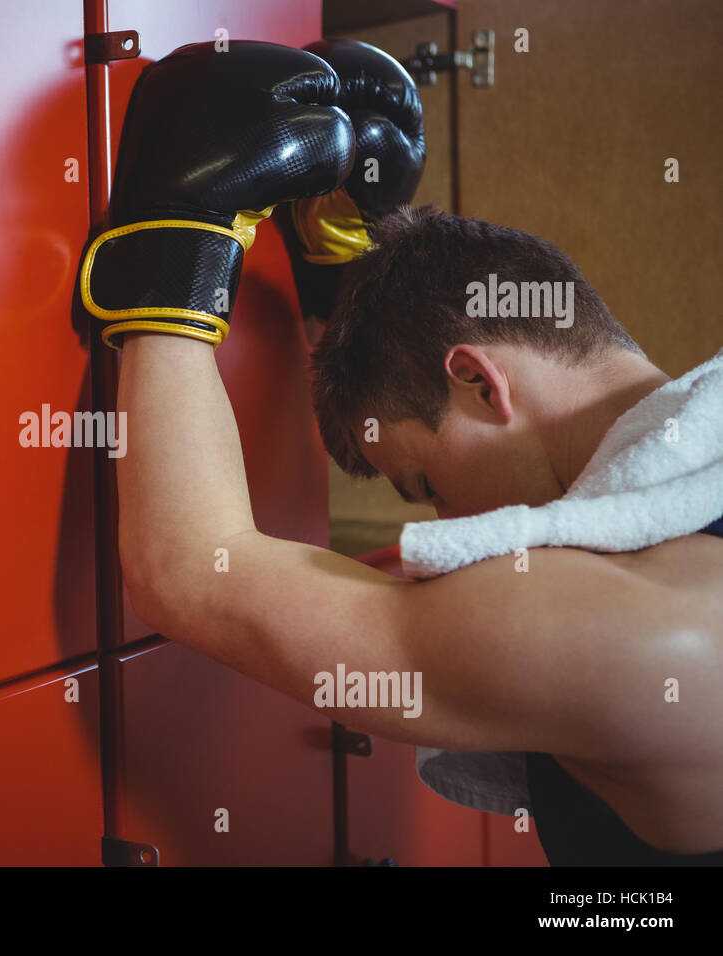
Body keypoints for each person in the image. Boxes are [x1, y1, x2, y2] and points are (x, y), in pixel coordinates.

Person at [81, 39, 723, 865]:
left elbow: (190, 571)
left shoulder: (636, 628)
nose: (451, 528)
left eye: (426, 486)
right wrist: (336, 277)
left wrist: (185, 236)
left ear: (480, 383)